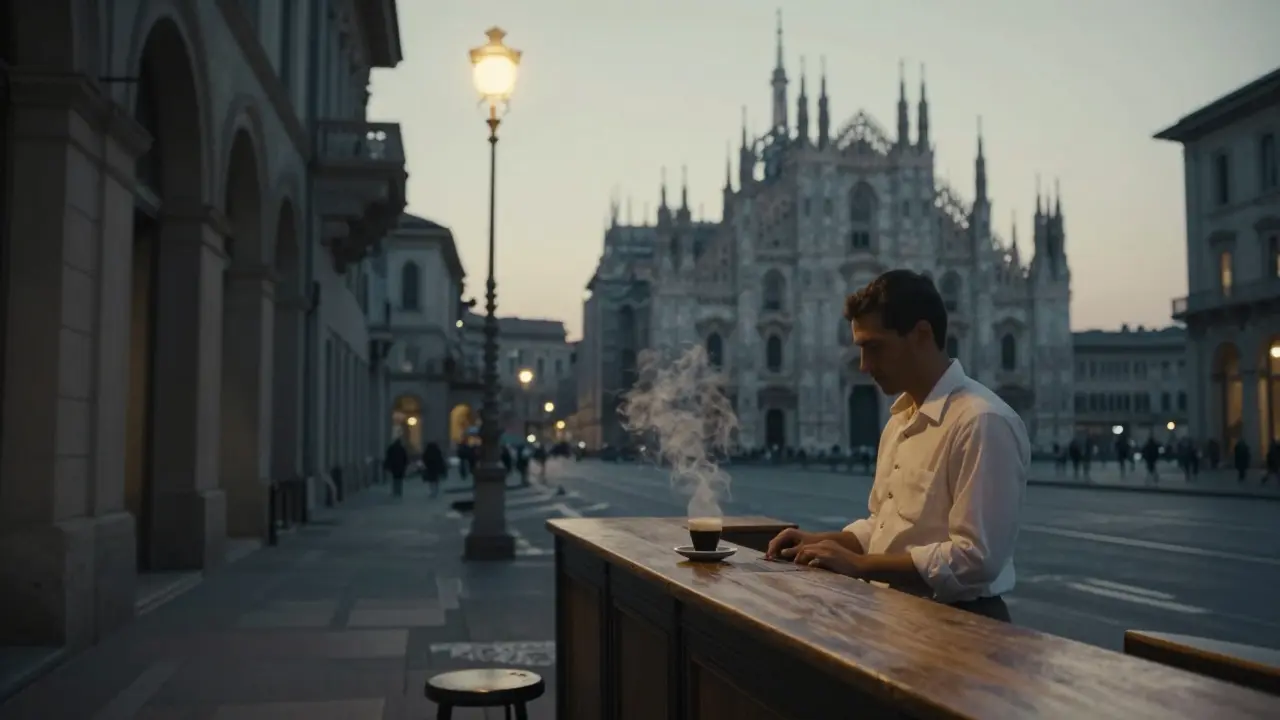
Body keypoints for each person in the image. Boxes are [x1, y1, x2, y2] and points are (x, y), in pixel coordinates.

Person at [765, 269, 1030, 623]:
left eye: (874, 347)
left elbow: (976, 558)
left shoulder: (981, 421)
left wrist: (861, 565)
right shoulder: (900, 421)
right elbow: (886, 527)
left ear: (921, 335)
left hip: (964, 624)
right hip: (899, 617)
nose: (863, 365)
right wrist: (823, 542)